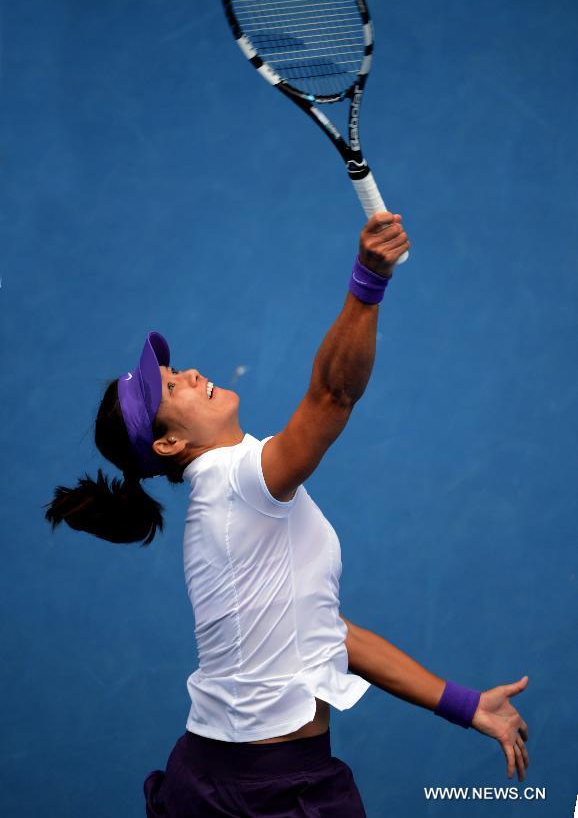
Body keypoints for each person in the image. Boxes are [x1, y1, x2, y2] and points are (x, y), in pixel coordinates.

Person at [45, 213, 529, 817]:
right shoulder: (232, 482)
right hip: (258, 794)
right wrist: (368, 280)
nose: (191, 375)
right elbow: (333, 396)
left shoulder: (235, 485)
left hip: (239, 778)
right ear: (169, 445)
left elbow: (327, 635)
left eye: (175, 374)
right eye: (173, 390)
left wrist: (466, 705)